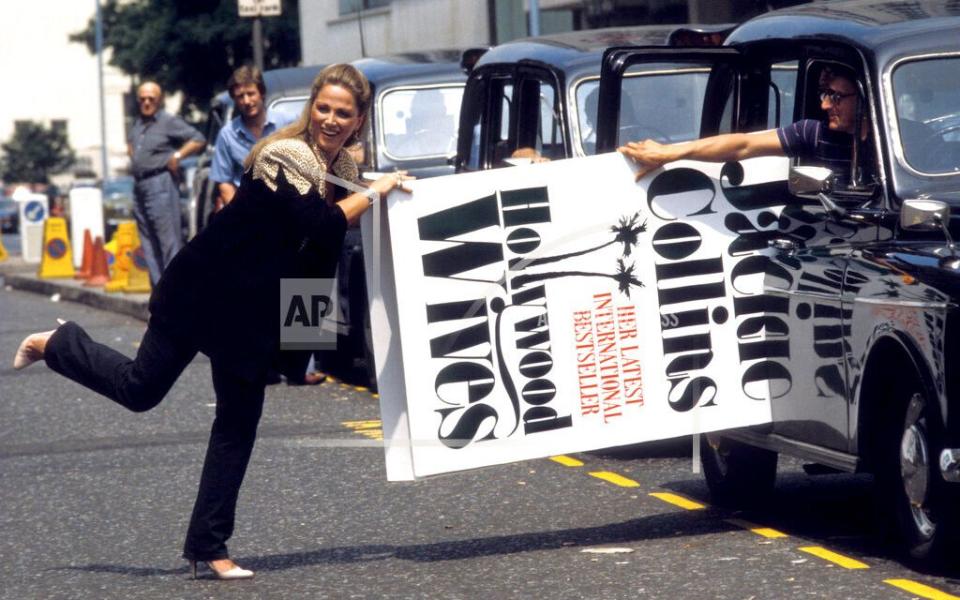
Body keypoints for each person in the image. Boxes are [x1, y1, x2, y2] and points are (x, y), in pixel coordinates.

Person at [12, 64, 410, 581]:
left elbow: (318, 256)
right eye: (324, 107)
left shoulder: (345, 174)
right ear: (312, 107)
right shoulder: (284, 155)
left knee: (237, 425)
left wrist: (398, 193)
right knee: (140, 390)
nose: (331, 119)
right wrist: (379, 191)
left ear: (359, 122)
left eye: (343, 113)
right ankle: (59, 342)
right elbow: (320, 224)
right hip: (204, 290)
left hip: (250, 316)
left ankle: (207, 546)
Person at [619, 65, 871, 182]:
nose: (826, 106)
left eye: (836, 97)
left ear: (864, 98)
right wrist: (671, 152)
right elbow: (743, 145)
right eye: (825, 96)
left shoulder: (903, 139)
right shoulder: (813, 133)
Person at [129, 81, 206, 286]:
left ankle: (176, 295)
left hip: (160, 183)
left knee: (168, 242)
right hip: (140, 186)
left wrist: (178, 155)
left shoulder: (167, 121)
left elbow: (198, 138)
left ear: (159, 100)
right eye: (142, 99)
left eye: (151, 98)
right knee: (148, 243)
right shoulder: (137, 124)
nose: (146, 103)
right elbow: (132, 146)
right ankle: (158, 295)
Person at [210, 65, 291, 210]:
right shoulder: (227, 135)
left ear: (262, 93)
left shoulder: (287, 124)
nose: (247, 101)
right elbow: (224, 182)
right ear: (234, 99)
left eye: (251, 93)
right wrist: (240, 215)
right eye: (240, 96)